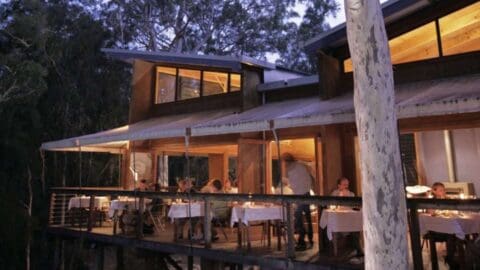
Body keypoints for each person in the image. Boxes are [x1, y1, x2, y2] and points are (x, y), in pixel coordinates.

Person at [282, 152, 314, 251]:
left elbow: (294, 184)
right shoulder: (300, 165)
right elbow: (308, 179)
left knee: (299, 217)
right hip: (306, 193)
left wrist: (288, 183)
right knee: (307, 217)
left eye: (284, 161)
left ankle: (302, 241)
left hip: (300, 195)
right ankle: (309, 238)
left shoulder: (292, 168)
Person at [428, 182, 458, 268]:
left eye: (444, 190)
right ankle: (451, 260)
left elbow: (453, 211)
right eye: (441, 190)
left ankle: (456, 257)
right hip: (436, 229)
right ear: (434, 191)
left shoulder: (447, 199)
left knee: (456, 232)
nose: (443, 192)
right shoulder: (430, 201)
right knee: (451, 235)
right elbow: (431, 213)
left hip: (448, 227)